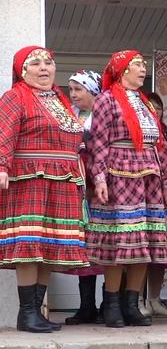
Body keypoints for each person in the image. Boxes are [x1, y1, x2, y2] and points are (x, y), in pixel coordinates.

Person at [86, 50, 167, 328]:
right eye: (137, 65)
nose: (142, 69)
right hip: (120, 174)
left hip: (149, 177)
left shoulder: (146, 104)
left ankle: (131, 304)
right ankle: (112, 304)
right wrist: (100, 178)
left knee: (145, 243)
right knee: (120, 242)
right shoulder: (106, 99)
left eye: (143, 65)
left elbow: (160, 144)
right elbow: (98, 142)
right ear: (122, 70)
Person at [0, 46, 89, 333]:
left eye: (48, 63)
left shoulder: (60, 100)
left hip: (63, 180)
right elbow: (4, 133)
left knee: (50, 245)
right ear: (22, 71)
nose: (43, 68)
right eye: (35, 64)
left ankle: (35, 312)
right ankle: (27, 314)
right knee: (30, 245)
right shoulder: (15, 97)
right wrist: (2, 166)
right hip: (30, 179)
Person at [132, 92, 167, 319]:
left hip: (164, 195)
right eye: (151, 107)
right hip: (141, 194)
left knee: (160, 251)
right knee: (140, 249)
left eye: (159, 107)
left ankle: (155, 299)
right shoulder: (137, 131)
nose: (156, 111)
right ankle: (137, 300)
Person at [65, 69, 104, 325]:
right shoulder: (71, 115)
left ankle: (111, 304)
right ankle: (87, 306)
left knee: (108, 247)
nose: (73, 94)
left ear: (93, 91)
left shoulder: (104, 115)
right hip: (80, 189)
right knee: (86, 250)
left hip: (101, 190)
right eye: (71, 90)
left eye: (78, 89)